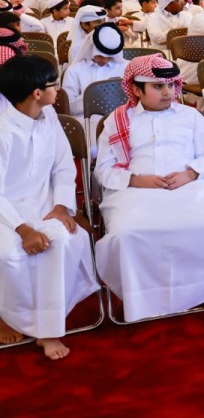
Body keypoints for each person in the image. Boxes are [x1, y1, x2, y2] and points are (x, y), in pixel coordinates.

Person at [93, 56, 204, 322]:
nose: (168, 92)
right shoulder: (118, 120)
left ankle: (196, 291)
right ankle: (139, 297)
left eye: (171, 85)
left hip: (187, 187)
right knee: (126, 233)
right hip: (133, 191)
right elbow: (104, 168)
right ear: (136, 89)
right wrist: (136, 180)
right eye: (158, 86)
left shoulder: (190, 115)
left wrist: (190, 173)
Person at [0, 55, 99, 360]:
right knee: (11, 254)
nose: (59, 89)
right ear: (36, 93)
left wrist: (60, 207)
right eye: (53, 84)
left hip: (44, 202)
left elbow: (63, 166)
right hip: (6, 212)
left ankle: (48, 329)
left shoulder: (50, 116)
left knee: (63, 242)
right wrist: (23, 228)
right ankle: (6, 315)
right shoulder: (3, 130)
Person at [62, 23, 128, 136]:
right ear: (91, 49)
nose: (105, 60)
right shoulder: (75, 70)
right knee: (94, 149)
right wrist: (93, 96)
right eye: (101, 56)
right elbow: (68, 106)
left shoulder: (126, 67)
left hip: (122, 119)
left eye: (109, 56)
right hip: (87, 121)